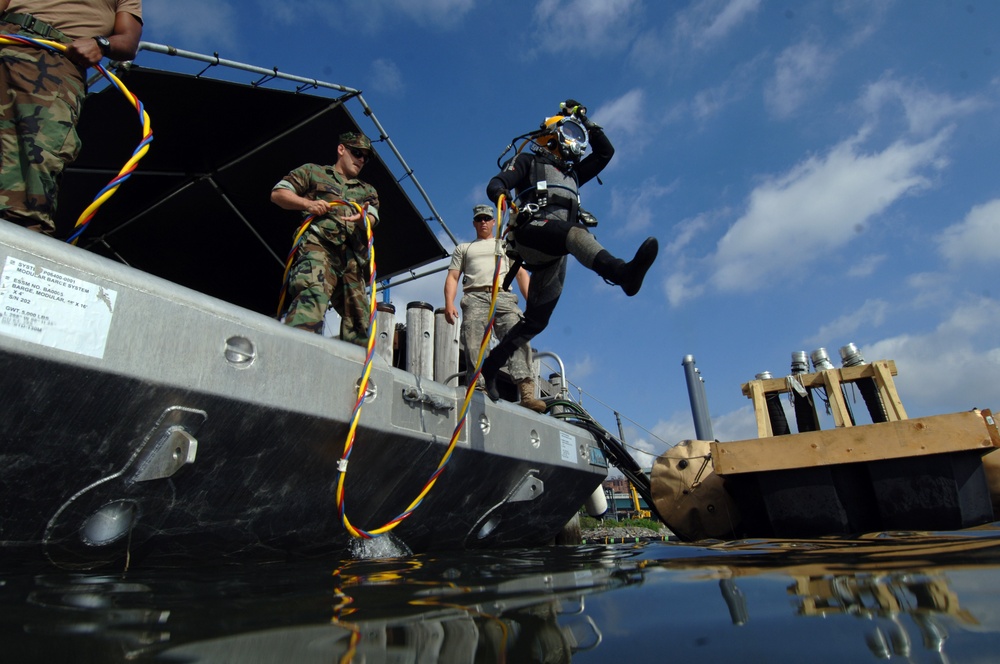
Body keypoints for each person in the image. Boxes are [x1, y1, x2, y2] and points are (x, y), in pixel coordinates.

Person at [481, 99, 658, 401]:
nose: (575, 143)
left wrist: (585, 120)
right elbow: (497, 182)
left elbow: (606, 152)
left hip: (556, 251)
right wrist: (506, 201)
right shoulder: (529, 162)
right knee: (576, 232)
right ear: (553, 135)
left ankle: (491, 366)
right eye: (571, 134)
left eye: (579, 137)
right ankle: (622, 274)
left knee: (537, 320)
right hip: (532, 234)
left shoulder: (573, 174)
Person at [0, 0, 143, 235]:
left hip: (58, 59)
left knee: (38, 155)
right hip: (7, 37)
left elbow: (128, 41)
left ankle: (19, 241)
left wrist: (101, 44)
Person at [271, 131, 380, 347]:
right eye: (357, 153)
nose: (361, 160)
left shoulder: (367, 190)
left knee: (359, 322)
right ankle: (293, 356)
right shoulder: (313, 171)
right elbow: (279, 194)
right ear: (341, 149)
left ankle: (355, 376)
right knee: (311, 301)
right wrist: (308, 204)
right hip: (318, 247)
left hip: (351, 261)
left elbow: (373, 217)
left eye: (365, 157)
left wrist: (362, 219)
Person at [443, 204, 546, 413]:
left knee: (517, 337)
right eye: (479, 219)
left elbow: (521, 274)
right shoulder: (464, 248)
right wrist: (448, 303)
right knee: (473, 341)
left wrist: (533, 304)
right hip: (475, 296)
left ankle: (526, 393)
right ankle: (479, 386)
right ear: (474, 223)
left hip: (503, 295)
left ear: (493, 222)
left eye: (486, 219)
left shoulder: (505, 245)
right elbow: (453, 277)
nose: (483, 222)